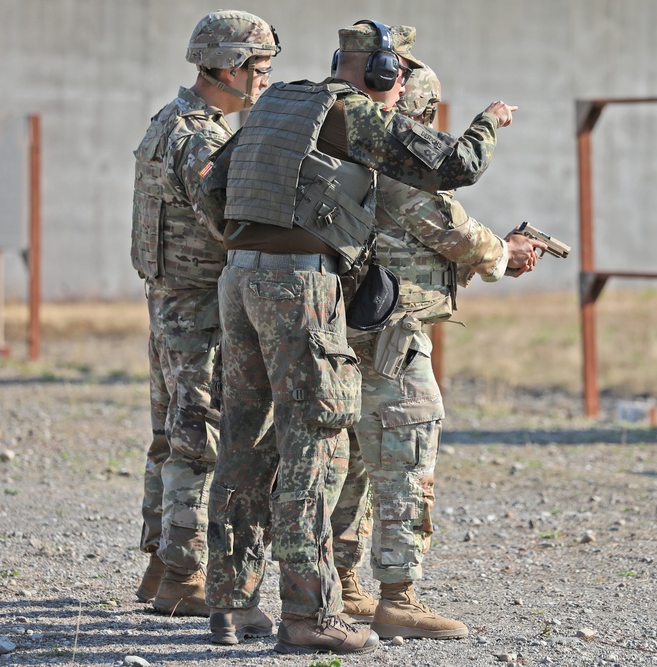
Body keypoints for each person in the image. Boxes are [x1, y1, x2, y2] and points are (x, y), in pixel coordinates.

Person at [201, 20, 518, 655]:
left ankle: (232, 604)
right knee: (316, 445)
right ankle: (310, 614)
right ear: (381, 74)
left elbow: (211, 186)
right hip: (300, 285)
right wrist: (489, 122)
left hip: (239, 278)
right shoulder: (355, 112)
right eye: (396, 80)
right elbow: (456, 165)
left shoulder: (281, 104)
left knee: (245, 437)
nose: (398, 93)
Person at [347, 64, 546, 641]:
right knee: (408, 455)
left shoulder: (343, 161)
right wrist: (504, 252)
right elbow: (456, 232)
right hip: (394, 339)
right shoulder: (405, 174)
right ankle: (399, 598)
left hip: (347, 333)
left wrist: (495, 255)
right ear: (423, 115)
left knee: (355, 461)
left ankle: (346, 581)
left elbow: (412, 246)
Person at [130, 9, 278, 623]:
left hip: (172, 302)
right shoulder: (202, 137)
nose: (265, 81)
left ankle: (161, 564)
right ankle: (185, 578)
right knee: (200, 440)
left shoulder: (173, 118)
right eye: (260, 69)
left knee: (170, 435)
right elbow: (224, 218)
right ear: (228, 67)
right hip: (197, 308)